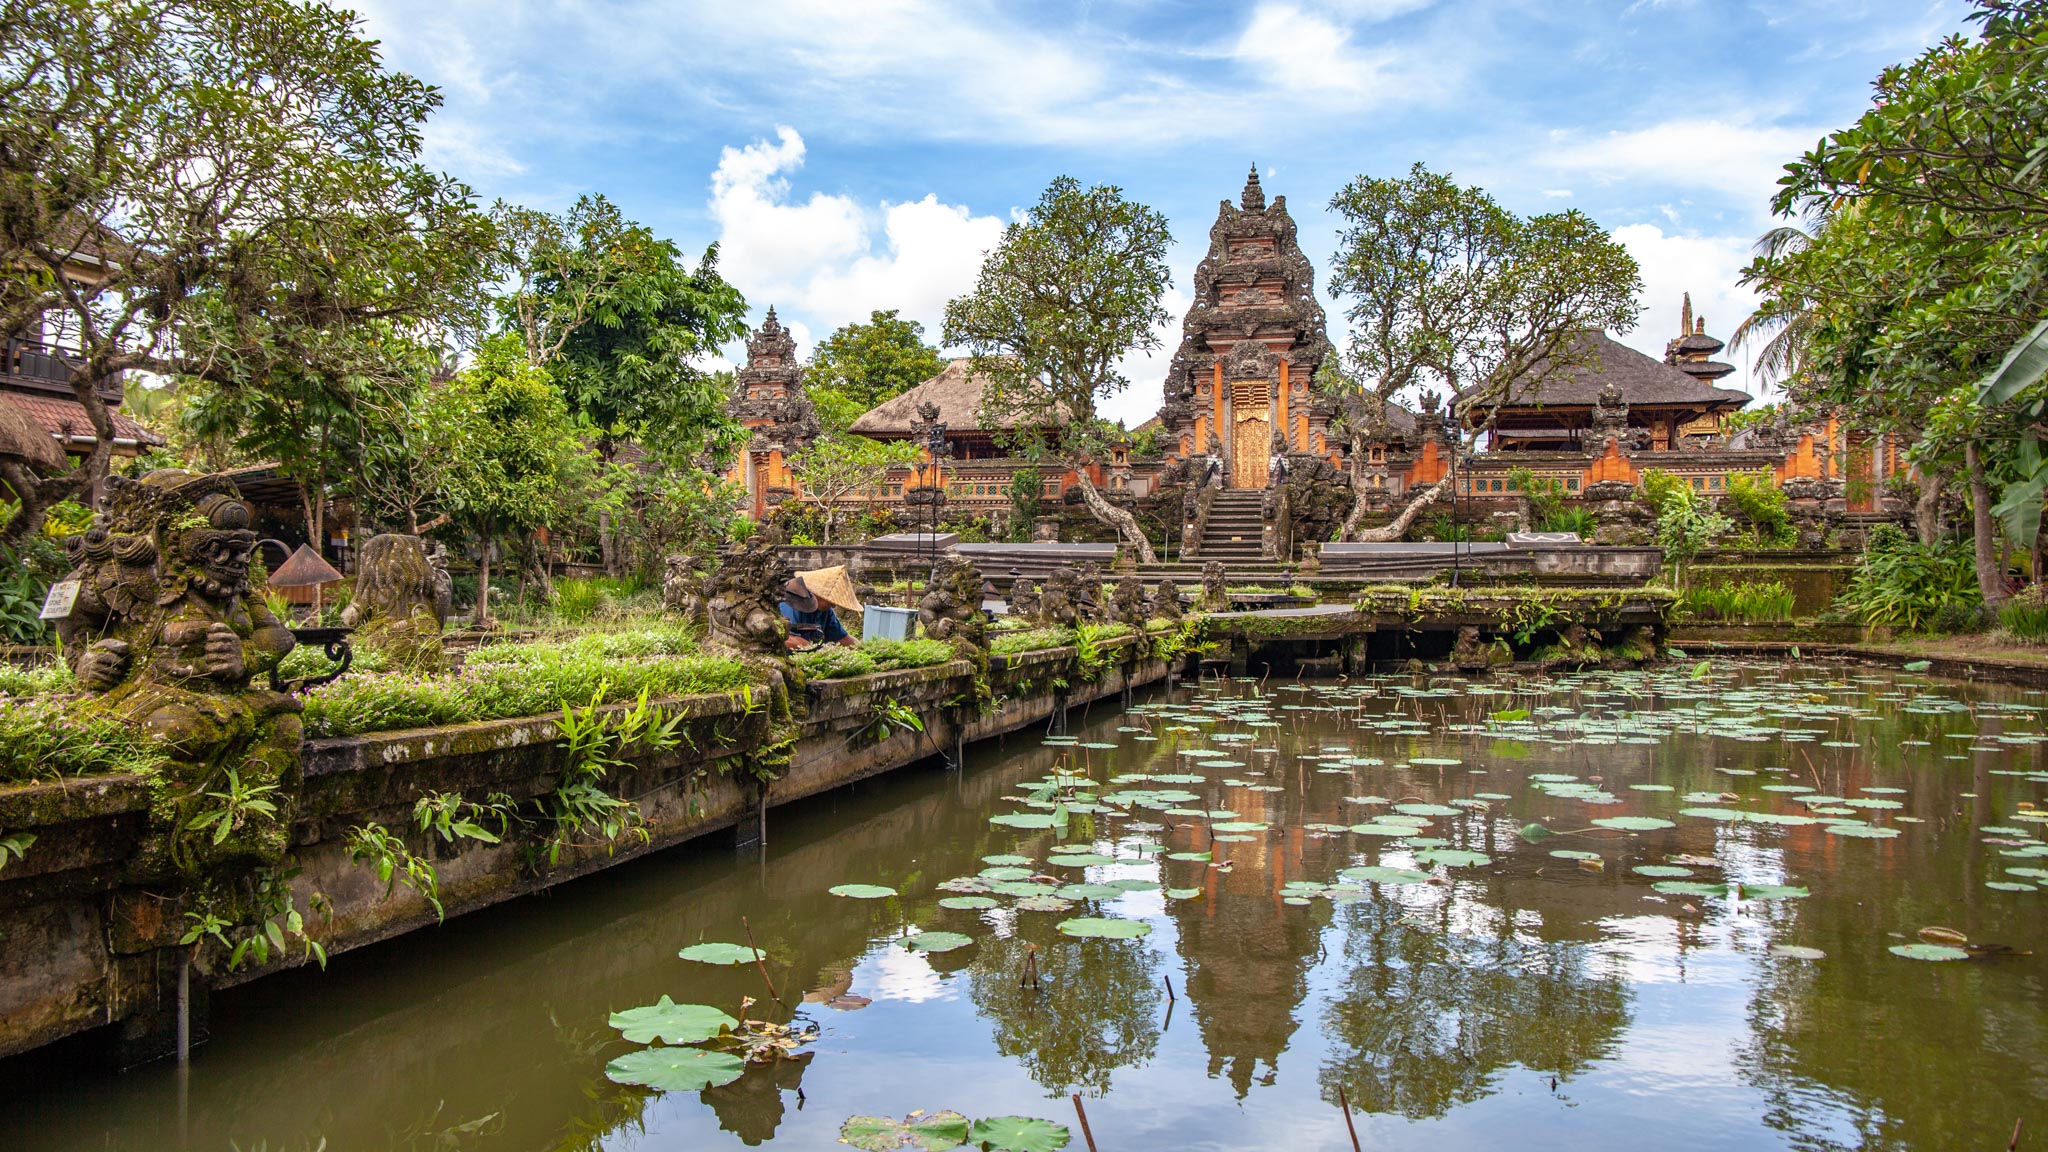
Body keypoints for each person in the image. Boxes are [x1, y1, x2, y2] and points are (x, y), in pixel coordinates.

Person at [780, 575, 855, 650]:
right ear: (820, 594)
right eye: (831, 601)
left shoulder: (825, 611)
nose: (833, 606)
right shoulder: (792, 603)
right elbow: (786, 639)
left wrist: (863, 648)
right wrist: (817, 650)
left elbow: (842, 638)